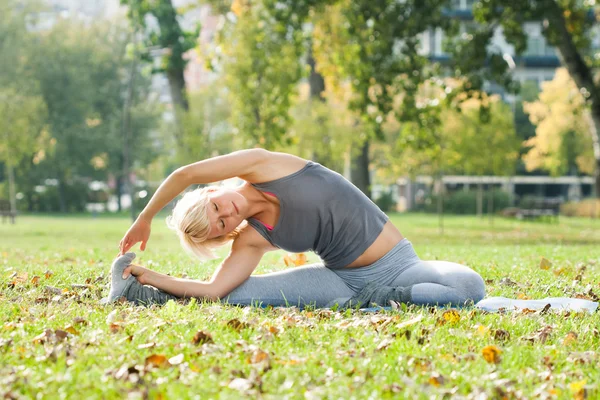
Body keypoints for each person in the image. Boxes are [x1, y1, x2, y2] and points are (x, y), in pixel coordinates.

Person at [107, 149, 485, 309]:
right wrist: (148, 275)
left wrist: (145, 217)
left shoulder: (262, 165)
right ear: (225, 235)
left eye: (217, 207)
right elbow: (214, 290)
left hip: (400, 267)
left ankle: (379, 298)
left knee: (469, 287)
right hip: (342, 280)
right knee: (236, 296)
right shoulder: (254, 238)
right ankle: (142, 295)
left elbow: (184, 173)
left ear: (212, 190)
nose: (228, 213)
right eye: (221, 225)